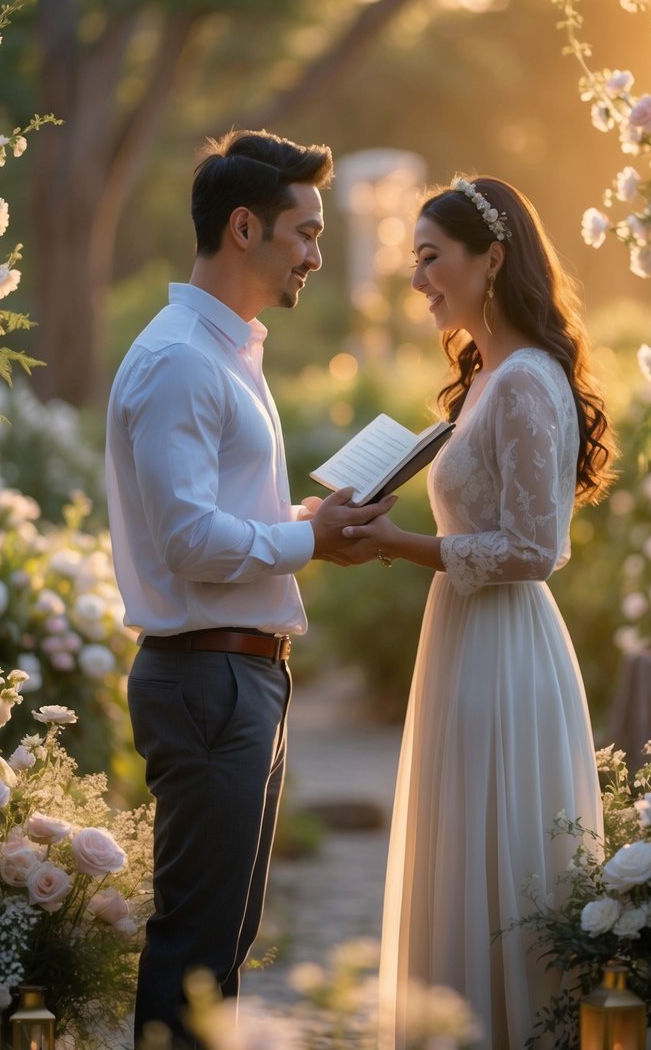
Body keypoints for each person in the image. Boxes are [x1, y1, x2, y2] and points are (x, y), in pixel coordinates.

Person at [105, 128, 393, 1049]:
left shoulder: (223, 353)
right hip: (205, 680)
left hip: (236, 676)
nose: (315, 253)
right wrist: (306, 536)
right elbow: (188, 541)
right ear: (243, 228)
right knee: (195, 946)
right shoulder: (182, 359)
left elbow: (211, 513)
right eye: (303, 232)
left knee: (222, 944)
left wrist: (302, 518)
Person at [341, 175, 615, 1049]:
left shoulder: (528, 380)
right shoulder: (489, 378)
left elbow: (536, 549)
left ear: (491, 258)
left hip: (504, 647)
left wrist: (397, 545)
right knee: (461, 853)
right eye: (413, 259)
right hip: (461, 638)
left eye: (431, 258)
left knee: (501, 859)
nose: (417, 278)